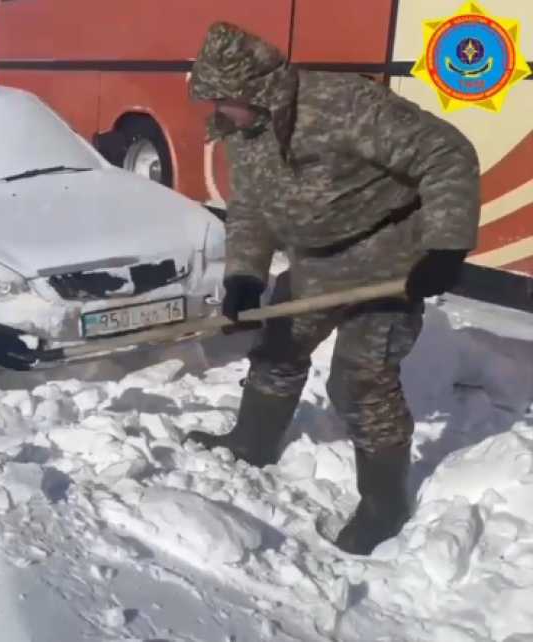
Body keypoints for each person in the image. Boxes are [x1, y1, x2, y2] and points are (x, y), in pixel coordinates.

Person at [183, 22, 481, 555]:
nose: (217, 111)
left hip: (388, 260)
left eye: (224, 99)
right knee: (277, 346)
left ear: (257, 91)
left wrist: (446, 246)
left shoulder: (344, 105)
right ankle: (251, 442)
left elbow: (446, 153)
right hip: (316, 263)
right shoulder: (244, 133)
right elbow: (251, 209)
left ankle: (384, 504)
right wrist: (245, 277)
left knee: (360, 382)